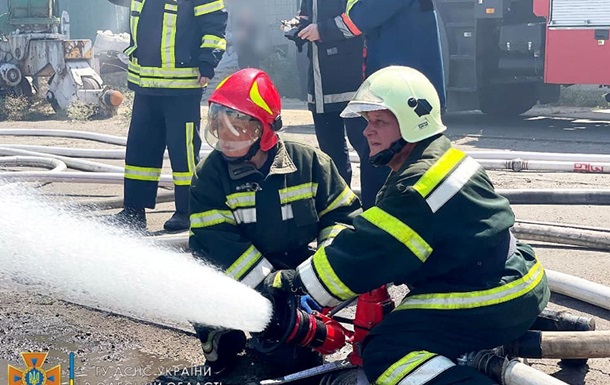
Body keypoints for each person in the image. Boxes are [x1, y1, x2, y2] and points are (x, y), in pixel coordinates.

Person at [263, 66, 550, 385]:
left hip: (493, 297)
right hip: (520, 279)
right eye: (368, 122)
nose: (367, 132)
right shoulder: (439, 155)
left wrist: (293, 283)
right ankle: (552, 329)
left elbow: (366, 253)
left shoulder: (417, 187)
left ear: (414, 124)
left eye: (380, 122)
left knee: (387, 352)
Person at [188, 68, 362, 376]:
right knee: (224, 355)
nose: (226, 139)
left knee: (291, 361)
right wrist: (273, 286)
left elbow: (343, 218)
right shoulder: (210, 175)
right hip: (232, 275)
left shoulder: (310, 164)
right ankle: (220, 343)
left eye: (238, 128)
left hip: (297, 270)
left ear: (266, 130)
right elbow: (220, 245)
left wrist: (317, 281)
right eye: (219, 126)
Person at [111, 0, 227, 232]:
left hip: (181, 86)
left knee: (183, 152)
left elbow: (215, 27)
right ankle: (134, 211)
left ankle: (187, 211)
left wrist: (207, 62)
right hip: (145, 84)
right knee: (139, 150)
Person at [289, 0, 389, 208]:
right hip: (320, 81)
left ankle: (373, 213)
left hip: (352, 78)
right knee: (330, 153)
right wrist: (299, 26)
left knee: (369, 148)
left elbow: (362, 17)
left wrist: (322, 30)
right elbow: (308, 12)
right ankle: (341, 212)